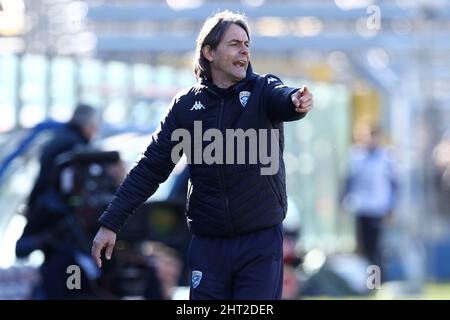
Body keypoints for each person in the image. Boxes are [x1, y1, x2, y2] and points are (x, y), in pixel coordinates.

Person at [92, 10, 313, 300]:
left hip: (259, 243)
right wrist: (111, 222)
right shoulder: (185, 106)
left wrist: (296, 100)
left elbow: (284, 98)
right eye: (234, 43)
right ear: (209, 51)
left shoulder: (263, 91)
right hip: (209, 245)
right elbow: (150, 168)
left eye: (247, 43)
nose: (244, 50)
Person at [16, 104, 101, 299]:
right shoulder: (75, 147)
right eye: (95, 125)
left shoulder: (56, 140)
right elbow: (69, 189)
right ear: (88, 125)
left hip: (47, 219)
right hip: (60, 223)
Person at [342, 122, 399, 274]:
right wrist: (343, 201)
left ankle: (376, 281)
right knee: (363, 248)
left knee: (375, 248)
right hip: (360, 207)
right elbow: (348, 180)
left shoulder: (386, 157)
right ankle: (369, 282)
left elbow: (394, 184)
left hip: (378, 208)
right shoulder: (355, 155)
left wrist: (391, 207)